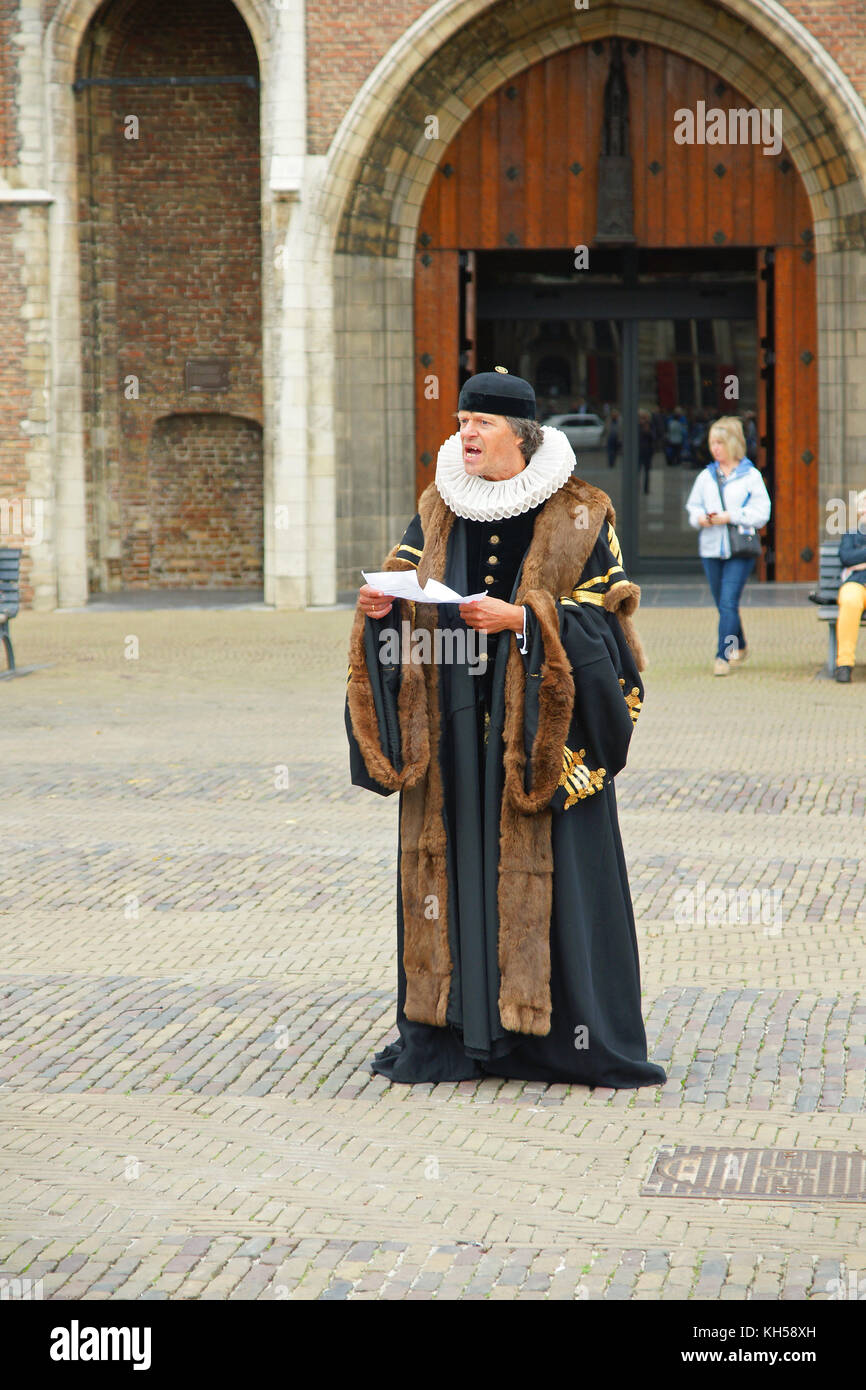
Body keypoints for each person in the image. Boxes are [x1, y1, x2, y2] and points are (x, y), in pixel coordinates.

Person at [345, 368, 666, 1090]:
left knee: (552, 884)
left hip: (537, 741)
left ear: (520, 437)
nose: (465, 432)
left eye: (479, 424)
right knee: (451, 873)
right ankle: (456, 1035)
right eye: (461, 420)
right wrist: (380, 609)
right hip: (454, 734)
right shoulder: (437, 508)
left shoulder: (583, 512)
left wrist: (523, 620)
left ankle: (562, 1043)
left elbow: (608, 634)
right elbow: (403, 585)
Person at [685, 415, 772, 675]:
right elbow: (693, 507)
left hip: (739, 549)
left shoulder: (750, 476)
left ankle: (722, 657)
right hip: (711, 549)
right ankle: (741, 643)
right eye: (712, 443)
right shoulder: (706, 476)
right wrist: (700, 519)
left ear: (733, 444)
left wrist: (731, 516)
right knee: (724, 603)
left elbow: (762, 512)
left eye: (720, 443)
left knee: (727, 603)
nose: (715, 448)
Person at [834, 488, 866, 683]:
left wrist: (859, 559)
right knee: (849, 600)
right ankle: (844, 664)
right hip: (856, 583)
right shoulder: (851, 535)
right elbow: (846, 557)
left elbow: (853, 559)